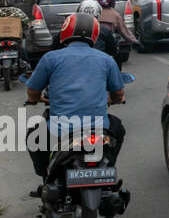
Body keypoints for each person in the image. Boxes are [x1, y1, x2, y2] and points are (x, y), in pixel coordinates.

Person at [24, 12, 126, 185]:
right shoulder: (107, 60)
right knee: (119, 130)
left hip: (60, 130)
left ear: (65, 32)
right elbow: (118, 94)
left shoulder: (50, 58)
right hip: (99, 129)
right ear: (95, 34)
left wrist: (36, 98)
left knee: (34, 136)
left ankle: (46, 177)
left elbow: (33, 90)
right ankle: (107, 166)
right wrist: (114, 100)